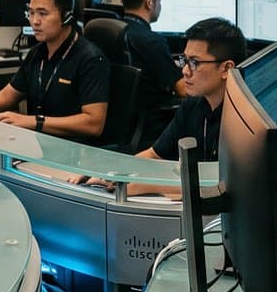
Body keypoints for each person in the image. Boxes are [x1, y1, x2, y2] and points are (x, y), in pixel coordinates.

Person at [95, 17, 246, 197]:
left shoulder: (245, 117)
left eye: (195, 62)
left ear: (226, 68)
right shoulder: (194, 103)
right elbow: (154, 154)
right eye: (184, 60)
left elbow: (227, 188)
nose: (184, 71)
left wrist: (151, 186)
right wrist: (108, 172)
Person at [0, 0, 110, 140]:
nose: (34, 21)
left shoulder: (90, 59)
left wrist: (35, 122)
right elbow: (6, 96)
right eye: (31, 13)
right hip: (38, 144)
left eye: (43, 14)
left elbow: (93, 123)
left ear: (66, 16)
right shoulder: (37, 53)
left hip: (74, 151)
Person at [118, 0, 190, 108]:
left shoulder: (116, 31)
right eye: (160, 0)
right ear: (150, 2)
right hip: (153, 120)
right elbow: (183, 90)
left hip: (125, 117)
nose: (160, 5)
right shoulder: (152, 41)